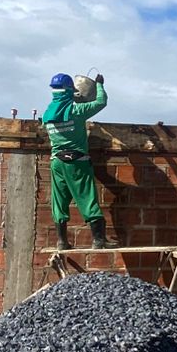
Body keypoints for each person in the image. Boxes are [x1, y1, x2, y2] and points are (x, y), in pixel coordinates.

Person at [43, 72, 115, 249]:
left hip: (57, 162)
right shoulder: (76, 110)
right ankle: (99, 240)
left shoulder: (47, 114)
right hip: (77, 162)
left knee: (59, 201)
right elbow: (100, 102)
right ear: (69, 90)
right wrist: (99, 85)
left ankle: (62, 242)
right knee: (87, 198)